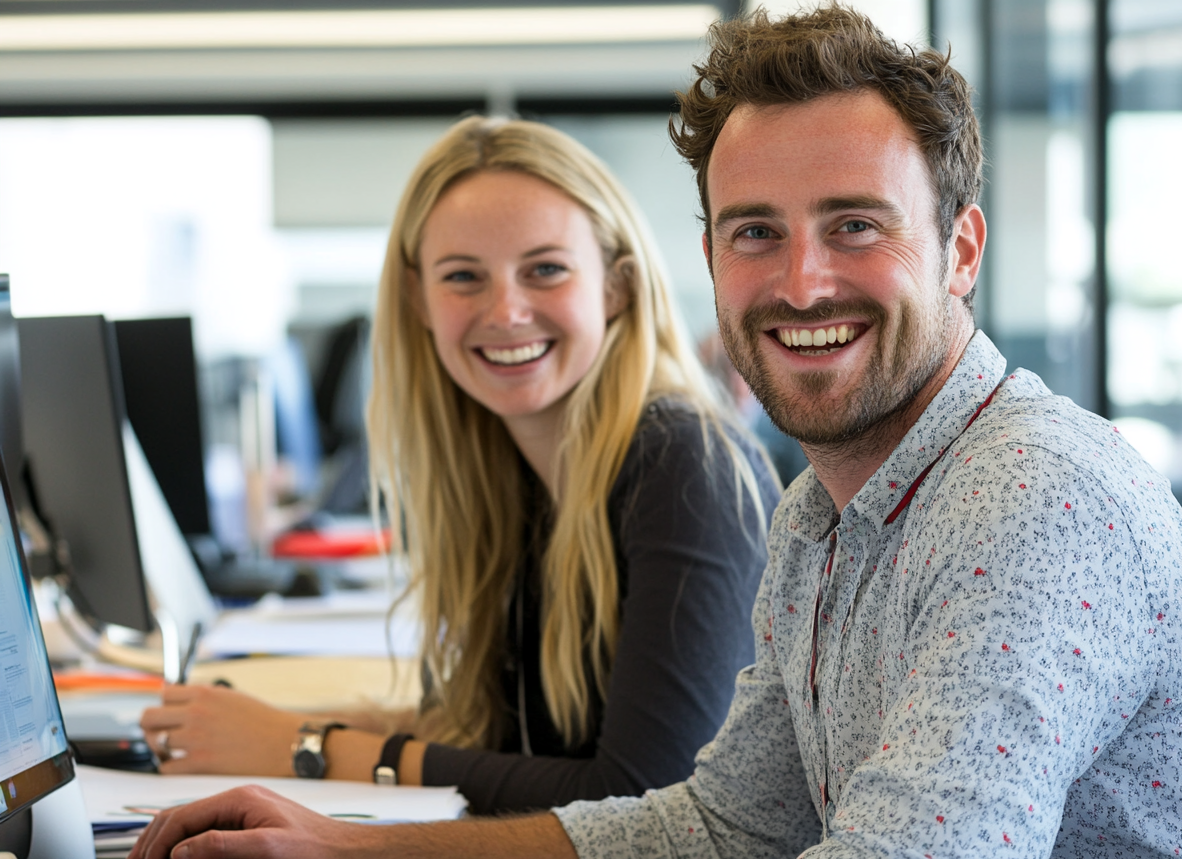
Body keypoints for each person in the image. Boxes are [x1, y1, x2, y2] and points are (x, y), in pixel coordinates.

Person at [128, 8, 1182, 859]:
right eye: (755, 234)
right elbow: (723, 822)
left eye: (855, 225)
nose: (800, 282)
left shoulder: (1032, 498)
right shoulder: (826, 512)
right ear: (710, 257)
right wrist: (354, 850)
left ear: (962, 248)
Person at [137, 116, 779, 815]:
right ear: (418, 300)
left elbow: (641, 802)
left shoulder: (685, 461)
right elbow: (509, 739)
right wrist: (272, 728)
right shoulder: (514, 471)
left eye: (545, 270)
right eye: (463, 277)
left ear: (616, 286)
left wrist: (304, 746)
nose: (505, 311)